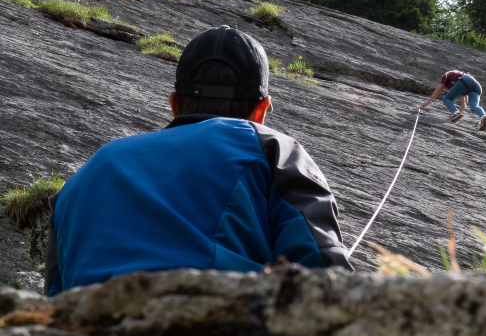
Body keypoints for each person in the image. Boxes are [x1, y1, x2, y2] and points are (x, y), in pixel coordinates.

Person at [43, 26, 354, 296]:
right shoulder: (273, 148)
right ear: (261, 111)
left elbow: (53, 299)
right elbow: (327, 278)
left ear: (175, 104)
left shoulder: (91, 170)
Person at [422, 70, 486, 130]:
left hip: (466, 79)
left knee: (446, 99)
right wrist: (458, 114)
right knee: (474, 107)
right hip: (477, 86)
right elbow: (464, 103)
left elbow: (439, 88)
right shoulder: (460, 85)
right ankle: (483, 116)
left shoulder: (446, 75)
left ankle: (455, 113)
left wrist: (428, 101)